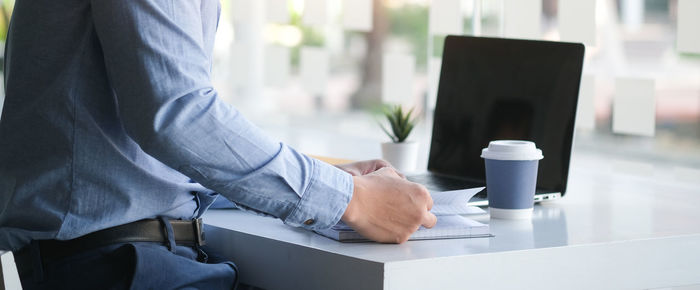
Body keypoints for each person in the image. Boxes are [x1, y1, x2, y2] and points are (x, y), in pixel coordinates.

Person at [0, 0, 437, 289]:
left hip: (116, 259)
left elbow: (158, 145)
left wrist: (329, 181)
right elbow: (176, 114)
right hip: (114, 266)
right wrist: (352, 201)